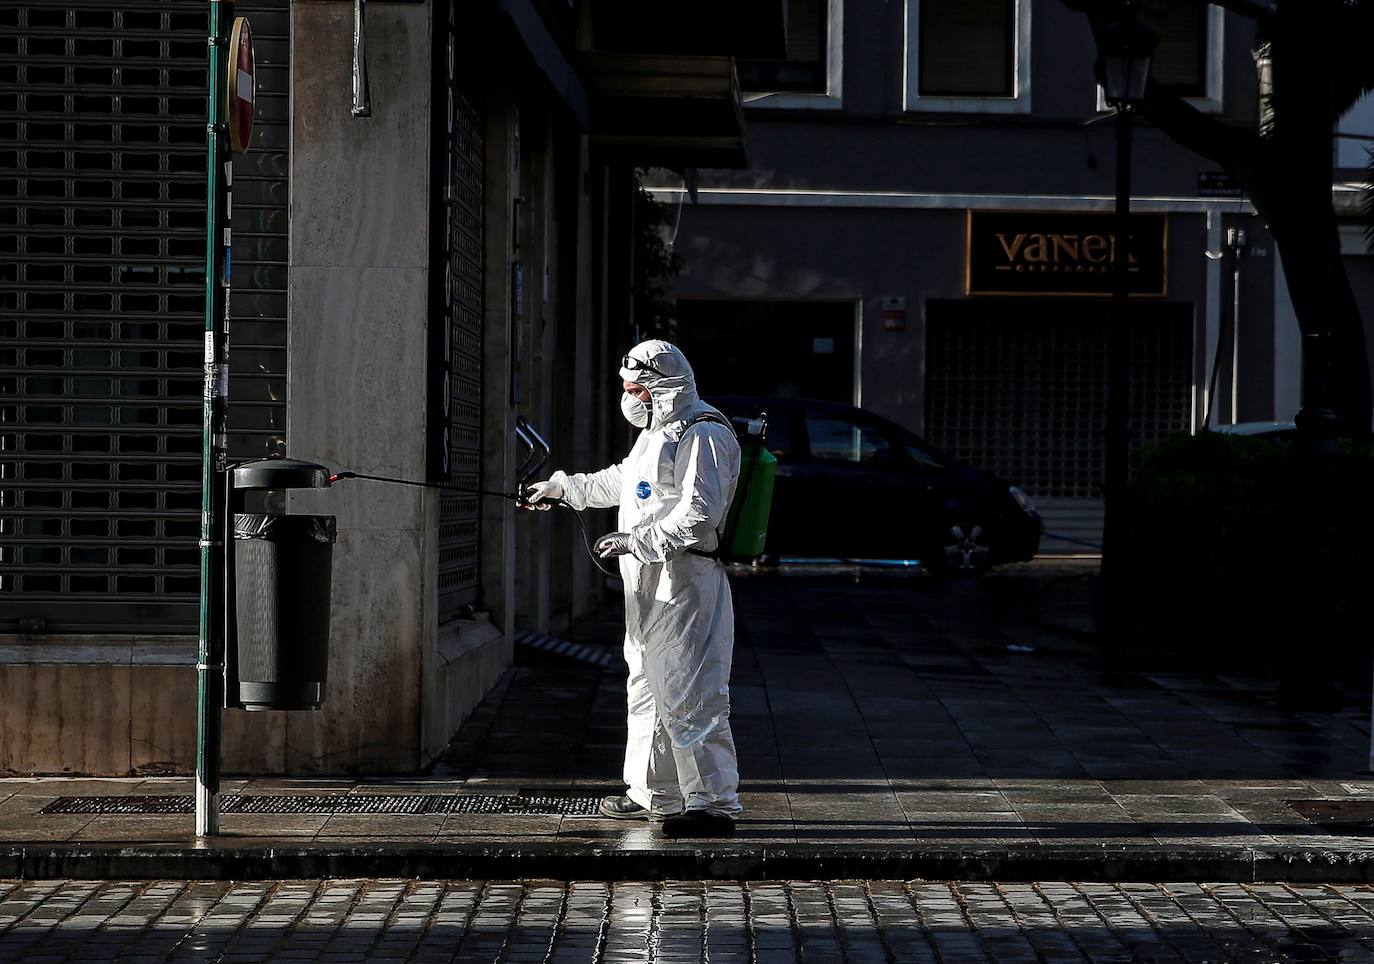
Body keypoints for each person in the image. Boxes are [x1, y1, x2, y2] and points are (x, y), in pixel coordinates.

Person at [524, 340, 743, 837]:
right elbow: (625, 482)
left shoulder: (702, 432)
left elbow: (699, 515)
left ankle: (713, 805)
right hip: (647, 587)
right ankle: (655, 794)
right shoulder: (655, 434)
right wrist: (564, 490)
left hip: (685, 582)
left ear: (662, 386)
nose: (629, 397)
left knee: (691, 691)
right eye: (626, 388)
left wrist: (635, 540)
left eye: (636, 388)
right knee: (647, 688)